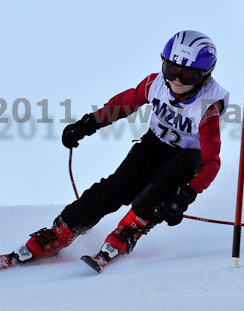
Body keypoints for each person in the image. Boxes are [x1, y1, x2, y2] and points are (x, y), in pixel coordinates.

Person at [13, 30, 229, 266]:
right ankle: (62, 230)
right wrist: (88, 124)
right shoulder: (155, 84)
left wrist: (187, 195)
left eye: (188, 75)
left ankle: (129, 230)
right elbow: (124, 104)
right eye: (172, 70)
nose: (177, 80)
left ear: (204, 76)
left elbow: (211, 162)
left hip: (187, 157)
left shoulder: (207, 108)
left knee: (163, 184)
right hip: (154, 144)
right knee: (117, 187)